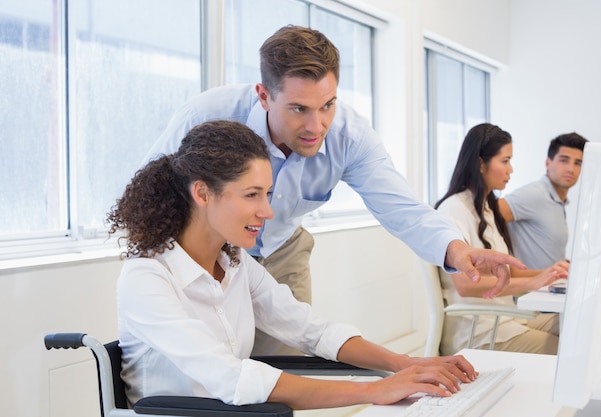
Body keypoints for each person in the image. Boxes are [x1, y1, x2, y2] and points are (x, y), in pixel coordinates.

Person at [143, 25, 525, 355]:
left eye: (327, 105)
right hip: (204, 254)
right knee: (212, 372)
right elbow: (151, 193)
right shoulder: (208, 116)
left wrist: (458, 251)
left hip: (281, 250)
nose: (316, 125)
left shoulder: (350, 136)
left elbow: (401, 207)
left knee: (285, 370)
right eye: (298, 109)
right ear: (264, 95)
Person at [106, 120, 480, 409]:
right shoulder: (147, 278)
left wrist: (404, 365)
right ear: (202, 193)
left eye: (267, 194)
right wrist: (374, 390)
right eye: (252, 195)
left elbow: (310, 330)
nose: (267, 211)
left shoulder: (235, 265)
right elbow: (231, 379)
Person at [434, 123, 569, 356]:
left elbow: (508, 273)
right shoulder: (454, 210)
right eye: (505, 161)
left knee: (581, 333)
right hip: (481, 332)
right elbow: (465, 285)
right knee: (574, 353)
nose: (511, 170)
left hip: (507, 321)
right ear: (480, 164)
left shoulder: (487, 209)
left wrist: (550, 273)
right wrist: (533, 283)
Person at [498, 133, 588, 269]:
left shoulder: (557, 200)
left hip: (550, 287)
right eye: (564, 160)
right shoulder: (536, 194)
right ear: (548, 162)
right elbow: (486, 215)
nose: (571, 169)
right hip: (529, 289)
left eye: (578, 163)